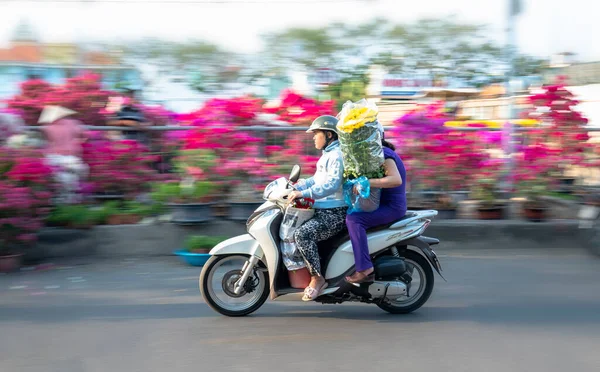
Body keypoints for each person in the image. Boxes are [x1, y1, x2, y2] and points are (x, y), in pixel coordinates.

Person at [288, 115, 348, 301]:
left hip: (335, 212)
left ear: (329, 135)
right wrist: (297, 186)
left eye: (316, 133)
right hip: (324, 210)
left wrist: (304, 194)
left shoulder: (337, 155)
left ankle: (317, 278)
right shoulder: (327, 155)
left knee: (302, 235)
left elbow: (330, 185)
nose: (314, 137)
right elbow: (317, 180)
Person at [344, 127, 407, 284]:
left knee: (354, 220)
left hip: (392, 207)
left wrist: (366, 182)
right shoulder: (373, 155)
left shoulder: (385, 154)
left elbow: (395, 180)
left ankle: (364, 268)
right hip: (382, 204)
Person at [38, 105, 89, 203]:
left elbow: (45, 142)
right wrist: (77, 141)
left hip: (53, 156)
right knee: (75, 178)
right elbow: (85, 135)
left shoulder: (47, 128)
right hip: (72, 156)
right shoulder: (74, 123)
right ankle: (74, 200)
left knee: (59, 179)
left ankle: (60, 200)